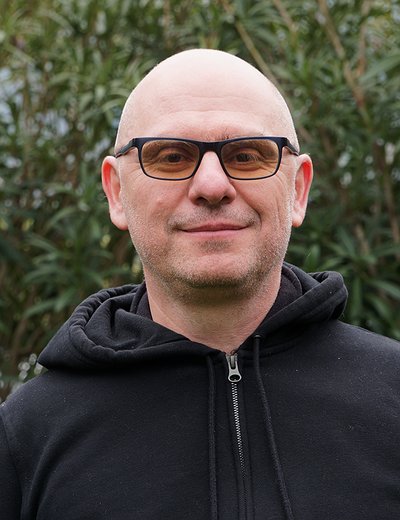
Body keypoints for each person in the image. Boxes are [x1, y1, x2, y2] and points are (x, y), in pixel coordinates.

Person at [0, 49, 399, 520]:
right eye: (171, 157)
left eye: (246, 155)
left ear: (298, 190)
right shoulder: (26, 438)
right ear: (116, 193)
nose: (212, 185)